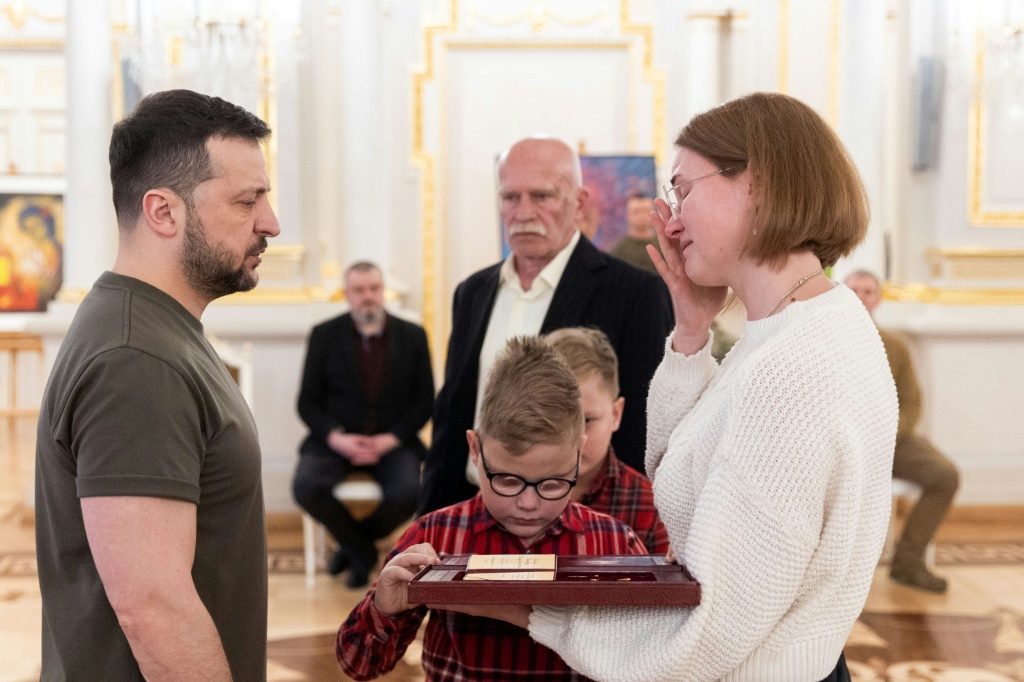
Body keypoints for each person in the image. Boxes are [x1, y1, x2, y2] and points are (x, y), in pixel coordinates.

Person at [443, 92, 899, 682]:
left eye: (683, 190)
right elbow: (679, 468)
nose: (673, 220)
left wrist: (511, 603)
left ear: (757, 184)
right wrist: (690, 331)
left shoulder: (790, 368)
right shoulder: (806, 324)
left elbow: (706, 634)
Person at [35, 90, 279, 681]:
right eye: (247, 201)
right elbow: (155, 610)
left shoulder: (152, 330)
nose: (271, 223)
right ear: (164, 212)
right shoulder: (137, 359)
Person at [337, 336, 647, 680]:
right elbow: (357, 664)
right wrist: (383, 608)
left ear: (578, 452)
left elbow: (650, 662)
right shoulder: (434, 536)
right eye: (507, 481)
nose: (528, 504)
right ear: (475, 449)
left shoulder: (615, 543)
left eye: (552, 483)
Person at [419, 136, 673, 515]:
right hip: (474, 515)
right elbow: (452, 419)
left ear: (579, 203)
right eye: (510, 197)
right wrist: (427, 520)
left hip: (582, 521)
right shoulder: (472, 293)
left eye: (541, 196)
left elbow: (642, 427)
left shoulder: (635, 293)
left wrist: (618, 532)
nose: (523, 212)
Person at [293, 261, 434, 588]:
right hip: (337, 441)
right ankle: (363, 551)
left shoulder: (413, 335)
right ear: (347, 294)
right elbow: (307, 402)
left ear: (382, 291)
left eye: (374, 288)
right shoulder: (323, 335)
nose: (367, 296)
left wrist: (391, 438)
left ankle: (353, 547)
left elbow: (425, 401)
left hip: (393, 442)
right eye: (359, 290)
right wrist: (337, 439)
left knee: (409, 493)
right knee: (306, 487)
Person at [845, 269, 959, 593]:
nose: (861, 297)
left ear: (878, 299)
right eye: (854, 290)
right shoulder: (824, 341)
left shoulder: (896, 347)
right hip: (843, 443)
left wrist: (886, 436)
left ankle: (908, 564)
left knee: (944, 475)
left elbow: (911, 402)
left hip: (891, 441)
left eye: (868, 291)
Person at [545, 326, 670, 554]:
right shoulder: (510, 494)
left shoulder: (651, 508)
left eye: (586, 420)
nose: (572, 439)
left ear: (615, 414)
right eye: (555, 421)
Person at [609, 193, 736, 362]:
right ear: (628, 215)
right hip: (636, 320)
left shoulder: (669, 246)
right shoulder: (617, 253)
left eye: (644, 211)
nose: (640, 216)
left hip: (675, 312)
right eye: (635, 212)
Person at [608, 192, 662, 269]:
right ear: (627, 214)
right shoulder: (617, 251)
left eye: (646, 211)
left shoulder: (664, 245)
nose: (642, 216)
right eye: (636, 212)